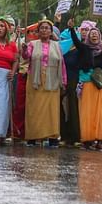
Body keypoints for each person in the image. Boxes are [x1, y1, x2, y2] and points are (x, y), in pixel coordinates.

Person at [67, 20, 102, 150]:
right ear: (88, 36)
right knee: (87, 112)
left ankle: (100, 140)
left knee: (100, 112)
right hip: (87, 83)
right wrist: (71, 29)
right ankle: (87, 139)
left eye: (96, 34)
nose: (94, 35)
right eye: (92, 33)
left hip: (101, 84)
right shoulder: (84, 48)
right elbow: (76, 42)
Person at [21, 19, 66, 147]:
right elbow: (26, 57)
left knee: (51, 110)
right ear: (38, 31)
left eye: (47, 28)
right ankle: (33, 137)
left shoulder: (57, 46)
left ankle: (52, 137)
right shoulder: (32, 44)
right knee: (34, 109)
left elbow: (62, 64)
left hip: (53, 80)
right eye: (42, 28)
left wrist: (64, 81)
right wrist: (24, 49)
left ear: (51, 31)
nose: (44, 30)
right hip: (35, 79)